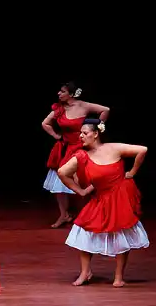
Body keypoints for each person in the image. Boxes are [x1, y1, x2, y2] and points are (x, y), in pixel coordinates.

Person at [56, 119, 148, 287]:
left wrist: (132, 172)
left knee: (121, 234)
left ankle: (118, 276)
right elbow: (62, 172)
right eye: (80, 133)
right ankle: (85, 272)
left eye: (85, 133)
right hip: (100, 197)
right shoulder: (81, 156)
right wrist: (81, 191)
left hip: (119, 196)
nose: (81, 136)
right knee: (85, 232)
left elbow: (142, 150)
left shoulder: (113, 148)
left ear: (96, 134)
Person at [41, 82, 110, 228]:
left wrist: (97, 127)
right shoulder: (59, 109)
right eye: (59, 91)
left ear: (71, 94)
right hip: (65, 147)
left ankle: (86, 214)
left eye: (62, 91)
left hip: (81, 147)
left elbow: (105, 110)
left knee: (81, 180)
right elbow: (45, 123)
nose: (59, 94)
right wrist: (56, 135)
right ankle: (64, 215)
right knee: (59, 183)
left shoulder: (83, 106)